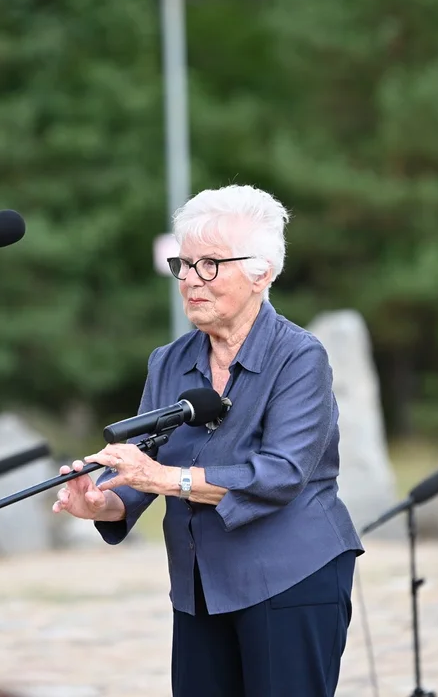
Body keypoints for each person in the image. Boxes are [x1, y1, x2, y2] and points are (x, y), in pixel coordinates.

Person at [52, 185, 364, 696]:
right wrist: (103, 502)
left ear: (262, 272)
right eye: (185, 264)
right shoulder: (168, 361)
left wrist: (165, 478)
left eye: (211, 265)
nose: (192, 281)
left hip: (292, 577)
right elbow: (144, 468)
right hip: (200, 587)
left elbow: (280, 475)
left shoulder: (300, 357)